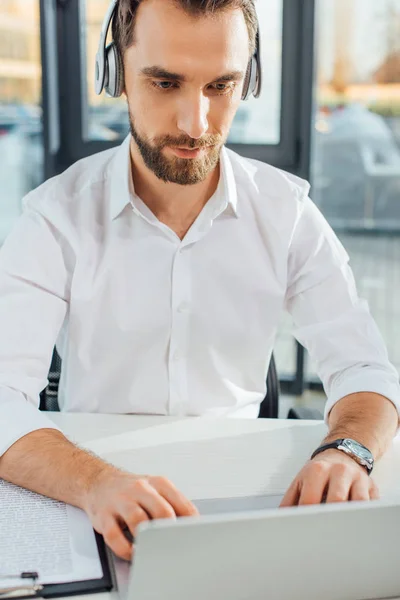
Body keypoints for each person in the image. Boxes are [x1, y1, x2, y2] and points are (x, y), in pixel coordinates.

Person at [0, 0, 399, 562]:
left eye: (221, 85)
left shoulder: (286, 213)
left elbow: (365, 368)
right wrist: (94, 482)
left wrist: (347, 451)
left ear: (249, 80)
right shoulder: (55, 217)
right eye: (165, 83)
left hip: (245, 498)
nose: (196, 124)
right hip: (90, 497)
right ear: (116, 75)